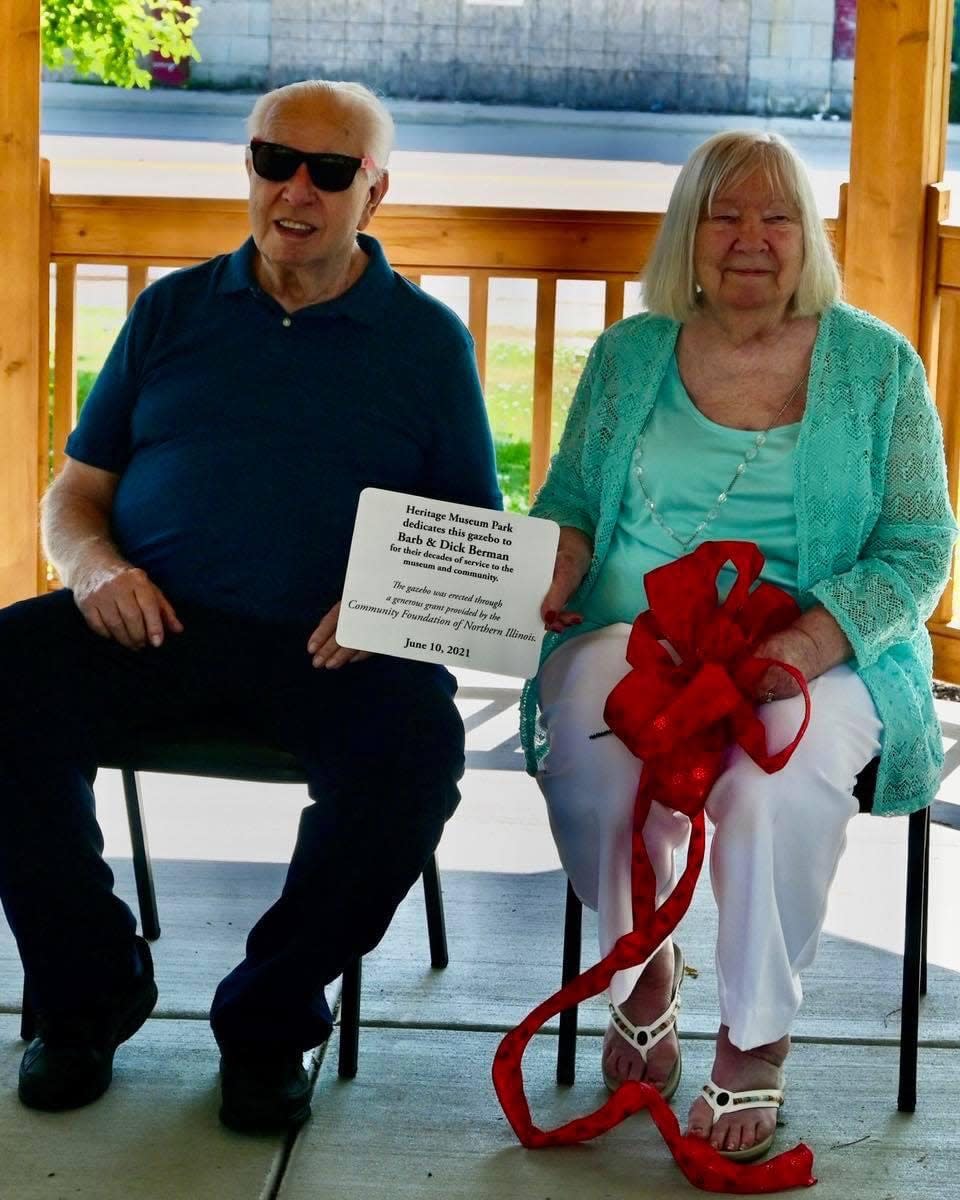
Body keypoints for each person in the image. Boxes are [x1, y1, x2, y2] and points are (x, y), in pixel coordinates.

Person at [0, 79, 501, 1133]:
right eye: (275, 161)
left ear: (377, 193)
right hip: (155, 630)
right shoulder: (173, 311)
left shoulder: (424, 343)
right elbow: (77, 492)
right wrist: (92, 569)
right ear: (250, 170)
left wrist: (384, 609)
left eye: (330, 171)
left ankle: (270, 1019)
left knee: (417, 752)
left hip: (336, 654)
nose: (296, 191)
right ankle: (86, 992)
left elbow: (472, 549)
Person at [522, 130, 956, 1161]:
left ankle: (754, 1036)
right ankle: (647, 970)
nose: (751, 239)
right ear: (689, 234)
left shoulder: (876, 365)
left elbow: (920, 543)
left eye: (777, 217)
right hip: (637, 633)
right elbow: (573, 500)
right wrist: (560, 556)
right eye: (725, 215)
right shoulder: (633, 355)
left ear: (808, 239)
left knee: (773, 786)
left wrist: (812, 640)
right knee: (585, 757)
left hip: (817, 647)